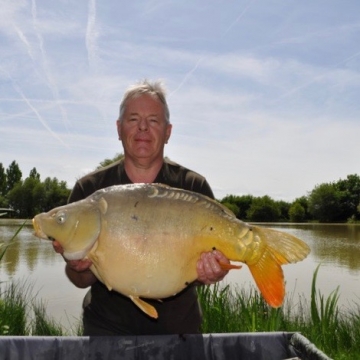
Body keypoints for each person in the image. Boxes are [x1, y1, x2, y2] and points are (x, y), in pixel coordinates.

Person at [53, 79, 230, 335]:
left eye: (154, 121)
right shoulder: (89, 191)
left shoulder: (193, 187)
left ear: (168, 131)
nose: (143, 128)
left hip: (180, 332)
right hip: (107, 331)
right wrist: (77, 267)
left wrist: (214, 271)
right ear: (118, 128)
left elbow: (210, 270)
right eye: (133, 119)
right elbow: (79, 281)